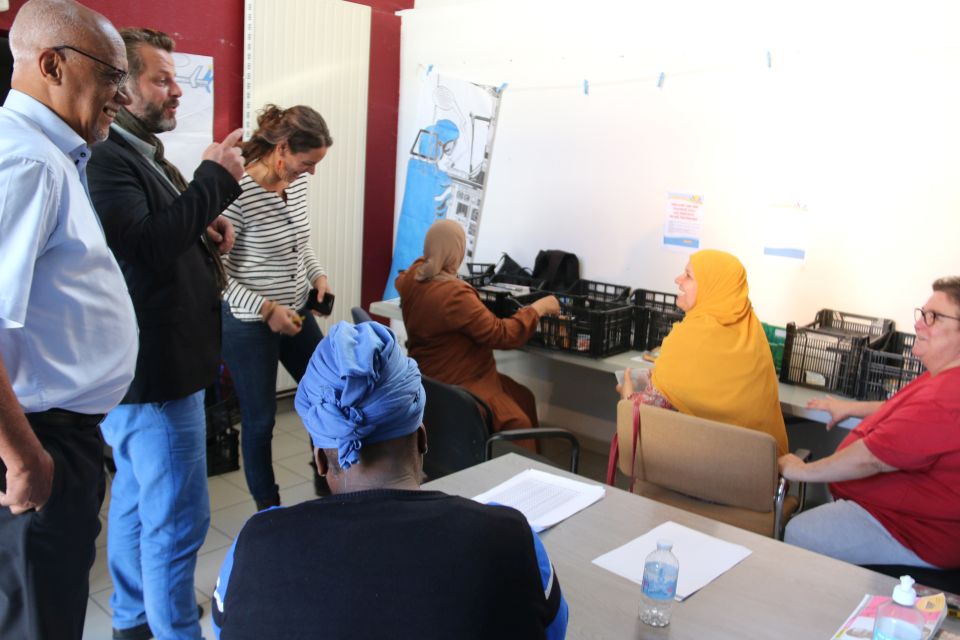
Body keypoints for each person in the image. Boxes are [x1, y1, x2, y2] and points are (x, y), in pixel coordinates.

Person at [211, 321, 568, 639]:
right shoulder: (508, 538)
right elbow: (552, 629)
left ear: (321, 460)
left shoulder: (254, 547)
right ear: (423, 438)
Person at [86, 27, 245, 639]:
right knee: (177, 520)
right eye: (162, 79)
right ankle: (175, 630)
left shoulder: (136, 151)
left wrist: (205, 225)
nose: (177, 91)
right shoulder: (107, 157)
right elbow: (145, 247)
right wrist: (212, 177)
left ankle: (132, 619)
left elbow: (156, 232)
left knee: (133, 501)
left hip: (153, 374)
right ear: (122, 89)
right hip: (154, 377)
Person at [0, 1, 139, 638]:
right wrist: (25, 457)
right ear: (52, 64)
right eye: (113, 74)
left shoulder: (51, 155)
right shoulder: (27, 162)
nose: (124, 92)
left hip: (58, 433)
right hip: (38, 438)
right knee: (38, 621)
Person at [779, 277, 960, 569]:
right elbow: (906, 412)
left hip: (912, 532)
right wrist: (851, 408)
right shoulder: (944, 377)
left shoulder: (945, 396)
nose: (918, 324)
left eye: (934, 317)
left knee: (801, 532)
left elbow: (871, 460)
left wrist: (801, 471)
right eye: (922, 313)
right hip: (905, 518)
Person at [221, 104, 334, 510]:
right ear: (282, 148)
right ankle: (269, 513)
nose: (312, 173)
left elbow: (300, 242)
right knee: (260, 421)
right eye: (308, 163)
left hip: (295, 312)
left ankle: (332, 487)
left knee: (327, 397)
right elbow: (214, 274)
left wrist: (317, 276)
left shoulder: (295, 183)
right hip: (248, 321)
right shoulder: (235, 191)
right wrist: (266, 308)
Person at [395, 219, 561, 441]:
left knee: (524, 397)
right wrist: (538, 308)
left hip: (430, 381)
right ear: (458, 251)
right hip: (465, 383)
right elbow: (503, 335)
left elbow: (404, 279)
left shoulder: (412, 278)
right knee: (518, 423)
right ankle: (513, 469)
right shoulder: (454, 295)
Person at [616, 249, 788, 460]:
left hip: (688, 476)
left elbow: (640, 412)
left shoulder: (687, 338)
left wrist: (627, 394)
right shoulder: (754, 334)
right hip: (752, 477)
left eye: (688, 275)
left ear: (711, 287)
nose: (678, 280)